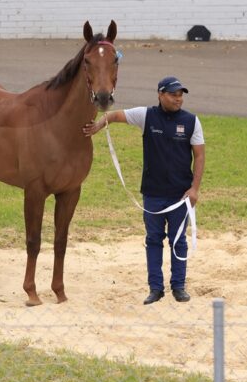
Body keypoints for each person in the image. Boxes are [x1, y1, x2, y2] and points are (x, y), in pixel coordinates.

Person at [83, 76, 205, 304]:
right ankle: (155, 288)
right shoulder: (146, 115)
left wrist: (194, 189)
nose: (178, 99)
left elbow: (199, 155)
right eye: (173, 94)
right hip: (153, 194)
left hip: (180, 196)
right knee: (153, 240)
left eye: (180, 95)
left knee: (178, 240)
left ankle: (179, 286)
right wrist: (99, 125)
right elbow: (116, 115)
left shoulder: (191, 122)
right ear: (160, 95)